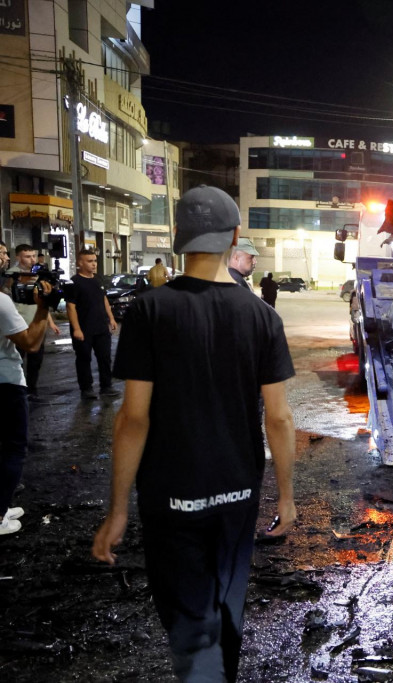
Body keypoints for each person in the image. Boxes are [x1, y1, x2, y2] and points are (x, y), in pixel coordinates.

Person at [91, 184, 297, 680]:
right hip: (238, 490)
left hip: (171, 493)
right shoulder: (262, 317)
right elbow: (280, 418)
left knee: (187, 617)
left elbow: (133, 418)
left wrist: (117, 509)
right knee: (227, 604)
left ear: (179, 235)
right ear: (235, 235)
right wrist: (287, 497)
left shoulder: (150, 310)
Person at [1, 243, 53, 535]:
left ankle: (2, 503)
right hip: (6, 383)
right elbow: (31, 343)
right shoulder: (2, 301)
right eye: (1, 254)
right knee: (13, 449)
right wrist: (43, 308)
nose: (6, 258)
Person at [66, 250, 119, 400]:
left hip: (101, 327)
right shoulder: (74, 282)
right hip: (83, 329)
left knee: (105, 357)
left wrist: (111, 318)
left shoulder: (98, 279)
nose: (94, 264)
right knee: (83, 359)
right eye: (89, 261)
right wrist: (76, 328)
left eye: (95, 260)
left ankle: (106, 386)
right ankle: (86, 389)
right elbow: (71, 307)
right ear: (80, 263)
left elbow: (104, 300)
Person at [10, 245, 60, 397]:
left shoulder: (38, 275)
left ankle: (32, 389)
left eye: (33, 256)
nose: (32, 259)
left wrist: (50, 322)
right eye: (27, 256)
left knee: (36, 360)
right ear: (18, 257)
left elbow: (42, 301)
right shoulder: (11, 275)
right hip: (18, 326)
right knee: (17, 359)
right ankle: (18, 388)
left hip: (36, 324)